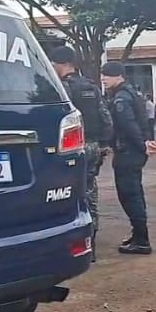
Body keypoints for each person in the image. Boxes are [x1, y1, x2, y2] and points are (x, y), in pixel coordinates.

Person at [49, 46, 114, 262]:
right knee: (90, 192)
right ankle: (90, 243)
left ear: (62, 64)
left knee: (67, 194)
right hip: (93, 145)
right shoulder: (91, 86)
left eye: (53, 64)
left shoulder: (63, 88)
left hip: (73, 148)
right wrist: (104, 144)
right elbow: (106, 118)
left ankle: (70, 242)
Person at [100, 62, 156, 255]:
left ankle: (142, 240)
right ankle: (138, 233)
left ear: (119, 76)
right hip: (132, 152)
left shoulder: (122, 98)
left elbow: (129, 124)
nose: (103, 78)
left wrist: (142, 144)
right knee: (134, 194)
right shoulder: (131, 93)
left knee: (129, 196)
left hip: (128, 153)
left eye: (107, 75)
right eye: (103, 75)